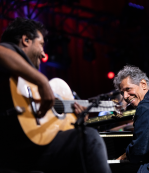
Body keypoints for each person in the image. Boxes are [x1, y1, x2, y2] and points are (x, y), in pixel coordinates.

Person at [0, 17, 111, 173]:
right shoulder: (9, 51)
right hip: (13, 148)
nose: (43, 53)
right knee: (88, 138)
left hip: (30, 151)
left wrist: (76, 121)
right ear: (26, 40)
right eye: (41, 44)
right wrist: (42, 80)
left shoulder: (26, 81)